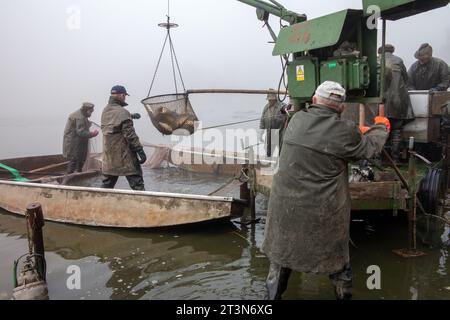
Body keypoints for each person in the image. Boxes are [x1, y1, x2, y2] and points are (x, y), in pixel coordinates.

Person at [262, 81, 390, 300]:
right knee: (338, 264)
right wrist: (380, 127)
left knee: (282, 259)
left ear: (313, 100)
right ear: (341, 108)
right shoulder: (345, 130)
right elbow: (369, 148)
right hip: (322, 213)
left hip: (285, 209)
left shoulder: (295, 120)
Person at [101, 85, 147, 191]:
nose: (125, 97)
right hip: (124, 156)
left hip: (109, 157)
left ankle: (99, 204)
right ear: (121, 95)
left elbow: (115, 118)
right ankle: (143, 205)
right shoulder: (123, 112)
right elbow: (130, 136)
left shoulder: (105, 110)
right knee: (137, 184)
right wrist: (140, 151)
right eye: (125, 95)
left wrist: (130, 115)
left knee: (106, 186)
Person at [378, 44, 415, 161]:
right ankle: (395, 158)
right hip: (398, 100)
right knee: (397, 130)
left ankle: (379, 158)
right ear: (392, 51)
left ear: (380, 52)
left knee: (380, 128)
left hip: (381, 101)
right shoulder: (399, 60)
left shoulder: (377, 60)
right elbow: (406, 79)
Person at [63, 102, 99, 174]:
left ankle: (78, 172)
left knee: (80, 157)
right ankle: (70, 175)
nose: (91, 114)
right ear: (86, 110)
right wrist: (92, 134)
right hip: (74, 142)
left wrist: (87, 124)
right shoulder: (80, 117)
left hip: (77, 141)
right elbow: (81, 132)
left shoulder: (81, 115)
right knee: (75, 158)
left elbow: (79, 127)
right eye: (90, 111)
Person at [259, 90, 287, 157]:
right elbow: (262, 120)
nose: (270, 101)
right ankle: (269, 162)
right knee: (268, 152)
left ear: (275, 99)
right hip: (269, 134)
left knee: (282, 152)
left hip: (280, 134)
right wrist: (261, 133)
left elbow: (288, 115)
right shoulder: (266, 107)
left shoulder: (282, 106)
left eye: (271, 100)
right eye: (269, 100)